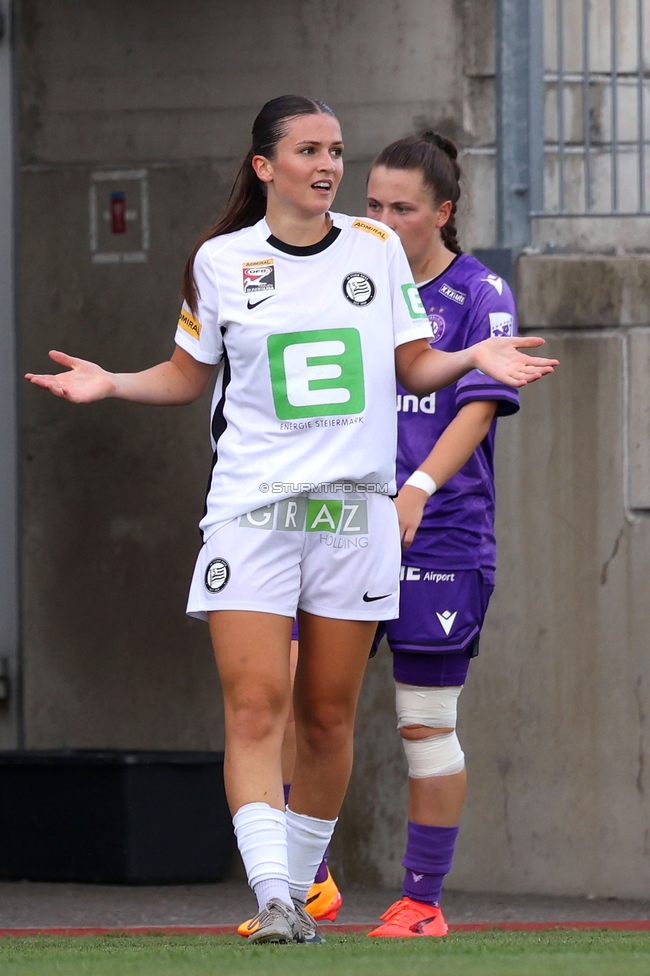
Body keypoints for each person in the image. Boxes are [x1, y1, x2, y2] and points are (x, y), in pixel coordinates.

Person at [25, 97, 556, 945]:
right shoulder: (219, 261)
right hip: (252, 514)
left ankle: (303, 889)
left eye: (336, 150)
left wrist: (472, 357)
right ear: (265, 167)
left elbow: (413, 367)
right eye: (309, 150)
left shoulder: (377, 251)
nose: (328, 165)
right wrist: (112, 382)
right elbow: (185, 374)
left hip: (354, 518)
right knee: (254, 709)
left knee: (325, 718)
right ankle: (275, 896)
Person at [362, 131, 522, 937]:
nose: (384, 223)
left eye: (404, 209)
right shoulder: (349, 281)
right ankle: (300, 883)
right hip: (340, 525)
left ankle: (422, 901)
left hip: (441, 534)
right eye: (373, 206)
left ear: (444, 212)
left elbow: (479, 405)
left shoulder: (481, 293)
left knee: (424, 721)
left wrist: (418, 489)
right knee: (291, 698)